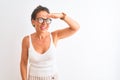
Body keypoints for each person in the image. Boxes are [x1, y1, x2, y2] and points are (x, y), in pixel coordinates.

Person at [20, 5, 80, 80]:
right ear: (33, 21)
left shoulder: (55, 36)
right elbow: (23, 63)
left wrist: (61, 16)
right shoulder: (26, 40)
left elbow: (76, 28)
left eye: (47, 20)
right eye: (41, 19)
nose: (44, 23)